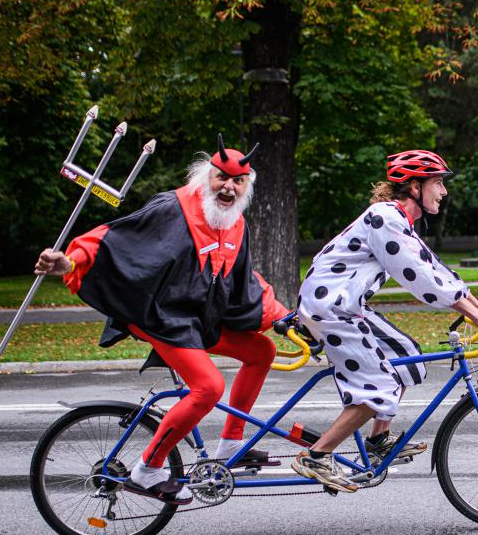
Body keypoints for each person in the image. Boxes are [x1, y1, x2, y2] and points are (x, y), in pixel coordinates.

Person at [34, 136, 288, 505]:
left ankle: (232, 446)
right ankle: (149, 469)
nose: (229, 187)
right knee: (208, 387)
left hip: (195, 319)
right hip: (161, 316)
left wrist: (285, 316)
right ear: (206, 178)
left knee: (261, 351)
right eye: (222, 178)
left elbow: (246, 282)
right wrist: (70, 263)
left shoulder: (235, 225)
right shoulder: (172, 208)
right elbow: (116, 237)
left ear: (247, 187)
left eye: (238, 182)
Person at [292, 149, 478, 493]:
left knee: (406, 354)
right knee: (378, 386)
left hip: (345, 305)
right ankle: (317, 456)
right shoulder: (385, 218)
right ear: (413, 187)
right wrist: (475, 317)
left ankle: (378, 442)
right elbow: (420, 279)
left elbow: (436, 268)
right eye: (438, 183)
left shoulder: (398, 220)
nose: (444, 191)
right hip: (332, 309)